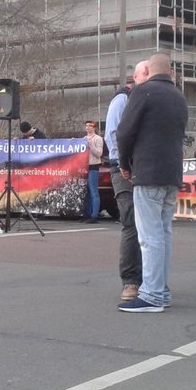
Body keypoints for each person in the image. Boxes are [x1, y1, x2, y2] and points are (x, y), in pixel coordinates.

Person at [116, 52, 188, 313]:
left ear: (149, 70)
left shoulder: (142, 92)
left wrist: (125, 164)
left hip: (148, 171)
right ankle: (161, 290)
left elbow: (124, 132)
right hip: (171, 173)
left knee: (149, 237)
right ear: (169, 71)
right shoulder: (179, 97)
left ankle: (152, 294)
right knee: (164, 234)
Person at [104, 61, 149, 302]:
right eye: (146, 73)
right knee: (131, 221)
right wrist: (122, 163)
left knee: (149, 226)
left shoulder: (150, 99)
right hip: (123, 168)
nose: (150, 77)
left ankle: (150, 280)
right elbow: (112, 134)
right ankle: (131, 281)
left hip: (145, 167)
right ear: (136, 76)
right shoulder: (123, 99)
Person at [81, 120, 104, 224]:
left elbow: (99, 154)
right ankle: (87, 214)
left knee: (94, 191)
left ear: (94, 128)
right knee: (86, 192)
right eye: (86, 126)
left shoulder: (98, 139)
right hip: (84, 167)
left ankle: (94, 215)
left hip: (93, 166)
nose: (88, 127)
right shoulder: (83, 138)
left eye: (90, 126)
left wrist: (91, 145)